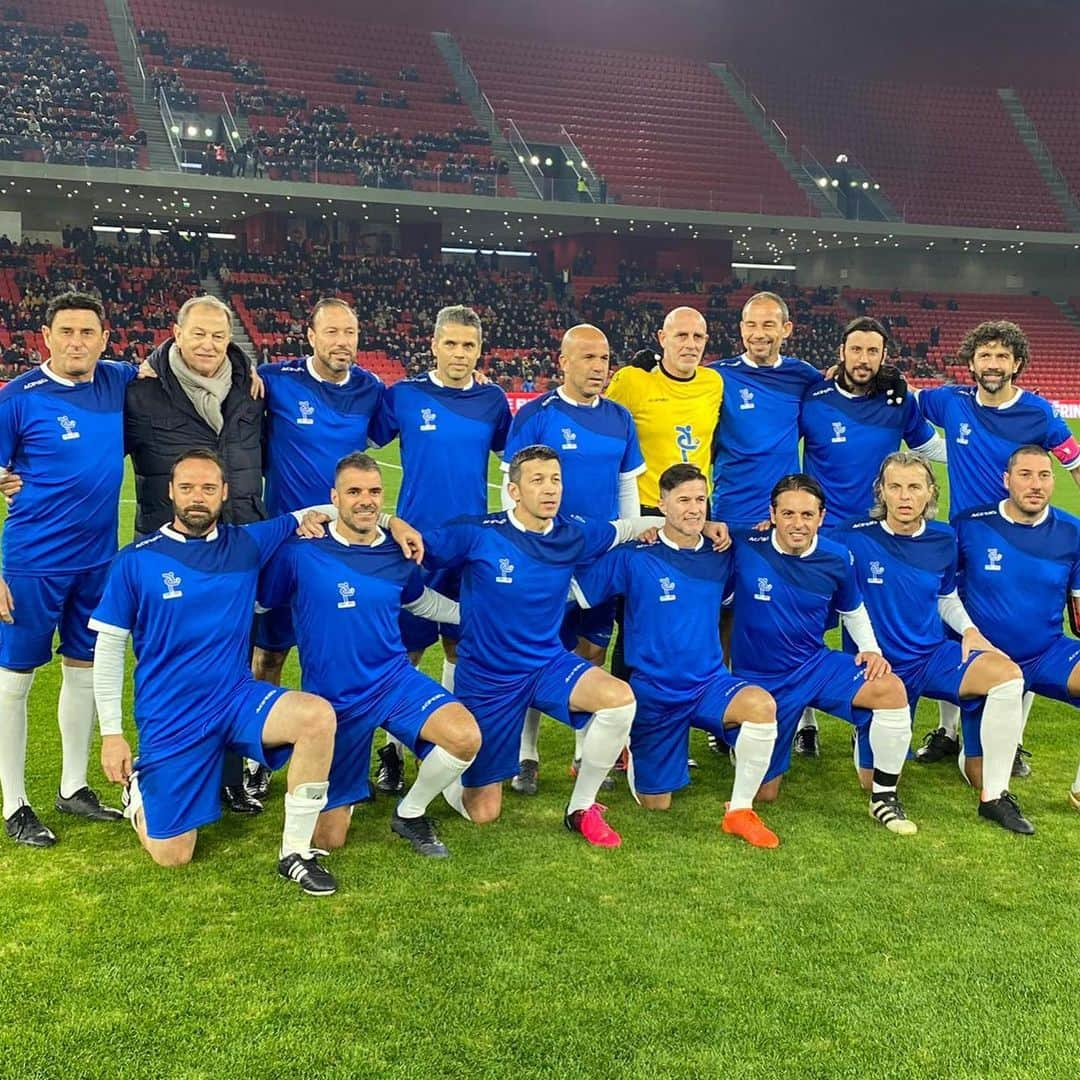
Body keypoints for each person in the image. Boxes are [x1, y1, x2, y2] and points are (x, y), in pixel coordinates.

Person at [424, 445, 718, 846]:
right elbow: (411, 549)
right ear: (513, 491)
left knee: (619, 700)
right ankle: (437, 754)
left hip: (547, 664)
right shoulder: (477, 532)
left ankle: (581, 808)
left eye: (556, 480)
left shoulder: (573, 532)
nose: (550, 489)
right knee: (483, 813)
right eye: (538, 480)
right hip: (490, 676)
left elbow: (624, 528)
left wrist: (696, 526)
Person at [89, 450, 340, 895]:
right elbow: (108, 648)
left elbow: (316, 512)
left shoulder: (245, 543)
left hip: (236, 698)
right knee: (174, 855)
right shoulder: (135, 561)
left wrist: (391, 524)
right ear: (170, 492)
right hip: (173, 716)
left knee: (317, 716)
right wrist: (112, 733)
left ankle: (296, 853)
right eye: (187, 488)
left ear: (225, 493)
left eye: (208, 488)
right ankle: (141, 794)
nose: (197, 498)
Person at [258, 452, 481, 858]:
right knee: (329, 838)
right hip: (334, 701)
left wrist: (476, 618)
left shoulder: (396, 552)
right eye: (354, 491)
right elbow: (259, 603)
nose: (366, 499)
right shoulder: (301, 552)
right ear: (334, 498)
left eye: (374, 491)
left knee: (464, 737)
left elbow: (421, 602)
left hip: (394, 681)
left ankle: (410, 812)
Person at [572, 464, 780, 847]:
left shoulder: (723, 553)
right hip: (655, 690)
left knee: (761, 706)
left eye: (700, 500)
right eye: (683, 500)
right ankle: (637, 750)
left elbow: (767, 552)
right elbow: (578, 592)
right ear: (662, 504)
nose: (694, 508)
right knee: (657, 804)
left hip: (708, 683)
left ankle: (739, 810)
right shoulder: (635, 555)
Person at [836, 452, 1032, 833]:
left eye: (914, 487)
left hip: (930, 655)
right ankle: (866, 734)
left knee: (1007, 675)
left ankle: (995, 796)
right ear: (881, 492)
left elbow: (946, 596)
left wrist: (970, 631)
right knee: (868, 780)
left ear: (930, 493)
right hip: (879, 669)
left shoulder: (944, 537)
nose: (905, 496)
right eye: (895, 487)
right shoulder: (852, 536)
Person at [0, 292, 134, 845]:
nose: (77, 342)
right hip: (32, 564)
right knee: (15, 681)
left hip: (98, 562)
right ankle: (14, 803)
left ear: (105, 339)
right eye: (67, 332)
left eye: (88, 333)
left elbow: (178, 359)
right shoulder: (17, 398)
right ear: (46, 337)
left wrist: (246, 372)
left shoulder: (117, 381)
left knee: (84, 668)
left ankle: (74, 786)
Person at [125, 294, 267, 813]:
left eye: (219, 335)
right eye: (199, 333)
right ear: (177, 333)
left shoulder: (251, 391)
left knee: (232, 667)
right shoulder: (138, 392)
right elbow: (96, 453)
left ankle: (229, 778)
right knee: (167, 668)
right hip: (171, 557)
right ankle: (154, 773)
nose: (209, 344)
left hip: (234, 555)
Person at [915, 321, 1080, 767]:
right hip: (964, 541)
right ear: (971, 362)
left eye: (1002, 356)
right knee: (958, 631)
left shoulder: (1039, 413)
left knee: (1025, 634)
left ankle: (1013, 738)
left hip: (1025, 539)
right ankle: (947, 731)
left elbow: (1075, 462)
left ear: (1017, 364)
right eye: (985, 355)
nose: (993, 364)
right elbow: (903, 402)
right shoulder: (949, 401)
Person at [368, 305, 510, 796]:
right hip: (413, 547)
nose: (459, 353)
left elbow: (512, 461)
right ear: (432, 345)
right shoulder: (404, 395)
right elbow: (361, 438)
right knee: (405, 651)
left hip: (468, 548)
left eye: (468, 345)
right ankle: (392, 749)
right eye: (450, 344)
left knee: (460, 645)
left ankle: (447, 742)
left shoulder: (493, 400)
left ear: (479, 350)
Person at [728, 474, 918, 833]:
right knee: (765, 794)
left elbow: (852, 608)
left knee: (891, 689)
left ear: (821, 516)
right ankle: (743, 738)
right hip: (761, 682)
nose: (797, 524)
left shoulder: (836, 556)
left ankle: (884, 797)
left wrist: (871, 650)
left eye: (807, 515)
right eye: (787, 514)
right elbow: (700, 529)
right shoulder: (745, 543)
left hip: (813, 666)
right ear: (771, 514)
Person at [501, 324, 645, 793]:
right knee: (535, 651)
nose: (598, 367)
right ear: (563, 361)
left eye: (604, 359)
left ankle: (586, 751)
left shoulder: (621, 418)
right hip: (548, 558)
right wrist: (526, 547)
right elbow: (512, 485)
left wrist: (628, 537)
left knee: (593, 650)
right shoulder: (538, 415)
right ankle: (527, 754)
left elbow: (627, 485)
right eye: (587, 358)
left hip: (601, 556)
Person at [251, 298, 384, 728]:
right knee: (270, 653)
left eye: (349, 333)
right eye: (332, 332)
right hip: (287, 542)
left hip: (344, 546)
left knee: (334, 652)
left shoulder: (370, 389)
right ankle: (257, 756)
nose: (342, 342)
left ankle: (330, 740)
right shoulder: (276, 380)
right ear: (311, 337)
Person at [955, 445, 1080, 813]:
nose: (1035, 484)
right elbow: (941, 590)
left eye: (1044, 475)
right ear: (1006, 480)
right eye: (1025, 475)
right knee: (980, 775)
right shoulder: (970, 525)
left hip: (1045, 653)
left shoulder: (1073, 531)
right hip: (986, 661)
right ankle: (969, 752)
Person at [604, 306, 723, 683]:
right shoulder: (631, 382)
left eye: (697, 337)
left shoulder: (714, 383)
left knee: (692, 617)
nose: (690, 344)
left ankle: (687, 703)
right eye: (680, 336)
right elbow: (603, 429)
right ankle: (623, 713)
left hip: (695, 515)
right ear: (661, 339)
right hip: (646, 514)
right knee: (638, 617)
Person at [801, 317, 945, 529]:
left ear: (883, 356)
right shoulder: (812, 399)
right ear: (842, 352)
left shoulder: (897, 401)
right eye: (856, 349)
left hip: (878, 530)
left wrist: (995, 454)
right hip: (824, 531)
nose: (863, 360)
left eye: (872, 351)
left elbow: (932, 448)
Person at [709, 293, 825, 532]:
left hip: (785, 516)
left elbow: (844, 388)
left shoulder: (803, 376)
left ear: (786, 329)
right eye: (751, 325)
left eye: (768, 325)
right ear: (741, 328)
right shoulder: (716, 376)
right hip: (731, 512)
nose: (758, 334)